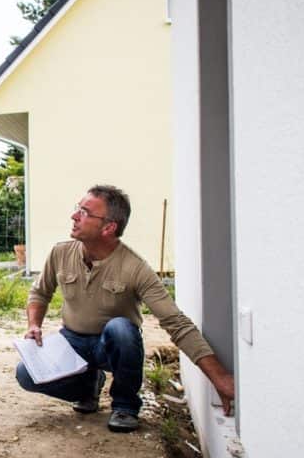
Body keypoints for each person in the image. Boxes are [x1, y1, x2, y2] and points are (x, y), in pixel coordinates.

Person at [19, 185, 236, 432]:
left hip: (111, 347)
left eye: (85, 212)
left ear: (108, 228)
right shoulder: (60, 252)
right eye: (77, 208)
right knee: (25, 374)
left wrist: (219, 377)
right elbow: (40, 293)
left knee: (121, 328)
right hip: (72, 343)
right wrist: (34, 324)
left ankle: (124, 406)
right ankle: (88, 387)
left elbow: (176, 323)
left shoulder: (135, 268)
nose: (74, 216)